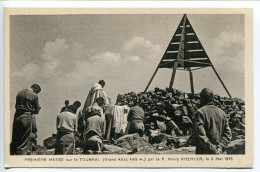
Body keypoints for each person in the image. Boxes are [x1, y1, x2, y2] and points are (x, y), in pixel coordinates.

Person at [194, 88, 232, 154]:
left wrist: (212, 148)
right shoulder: (222, 112)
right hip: (220, 152)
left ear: (202, 99)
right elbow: (228, 133)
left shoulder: (200, 112)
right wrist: (220, 147)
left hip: (205, 153)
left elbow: (201, 135)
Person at [10, 84, 41, 155]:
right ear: (36, 90)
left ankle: (12, 154)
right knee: (24, 141)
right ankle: (21, 157)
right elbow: (36, 111)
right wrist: (35, 109)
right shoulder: (34, 95)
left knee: (16, 137)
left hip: (17, 116)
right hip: (26, 117)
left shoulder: (20, 93)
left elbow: (16, 106)